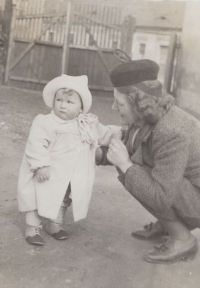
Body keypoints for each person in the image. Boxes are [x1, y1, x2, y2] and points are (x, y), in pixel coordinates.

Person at [96, 57, 200, 264]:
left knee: (131, 170)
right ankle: (170, 223)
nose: (113, 107)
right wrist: (96, 153)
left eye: (120, 102)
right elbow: (139, 148)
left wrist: (124, 163)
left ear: (138, 103)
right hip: (188, 191)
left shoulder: (171, 131)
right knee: (133, 169)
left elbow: (161, 195)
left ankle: (183, 239)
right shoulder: (149, 115)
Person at [17, 74, 121, 246]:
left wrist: (122, 132)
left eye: (69, 102)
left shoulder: (87, 123)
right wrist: (41, 165)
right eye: (59, 100)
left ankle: (54, 225)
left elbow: (105, 134)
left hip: (70, 174)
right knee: (36, 197)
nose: (62, 105)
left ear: (81, 107)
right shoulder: (46, 122)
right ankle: (32, 228)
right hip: (47, 173)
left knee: (63, 198)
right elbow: (35, 144)